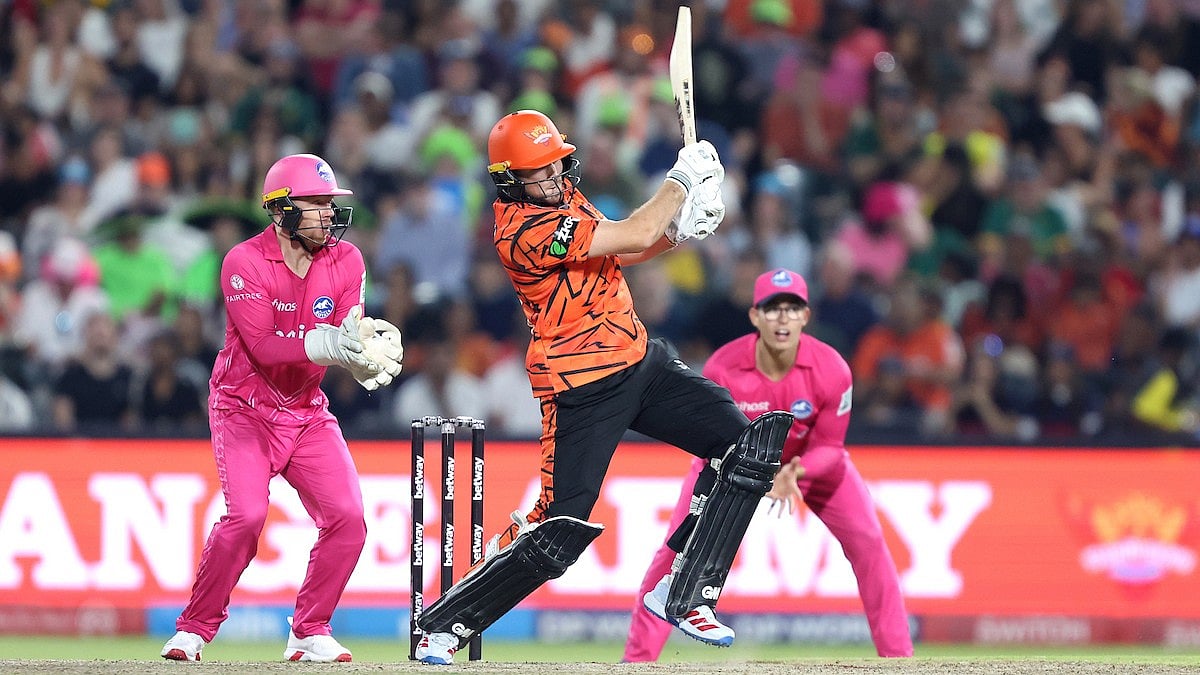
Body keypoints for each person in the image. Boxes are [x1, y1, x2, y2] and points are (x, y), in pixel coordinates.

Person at [413, 109, 793, 665]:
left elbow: (622, 246)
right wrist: (680, 181)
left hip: (641, 360)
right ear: (508, 181)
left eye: (555, 165)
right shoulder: (521, 229)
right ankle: (443, 625)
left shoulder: (563, 198)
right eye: (538, 172)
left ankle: (684, 593)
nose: (553, 178)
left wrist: (678, 232)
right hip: (581, 384)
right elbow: (634, 228)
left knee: (748, 449)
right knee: (558, 529)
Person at [159, 154, 403, 663]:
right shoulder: (242, 262)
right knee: (246, 517)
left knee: (349, 518)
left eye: (329, 204)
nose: (327, 215)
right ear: (280, 211)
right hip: (243, 408)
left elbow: (344, 332)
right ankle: (194, 630)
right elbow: (267, 348)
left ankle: (310, 629)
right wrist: (331, 347)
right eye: (314, 204)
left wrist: (360, 356)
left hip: (307, 410)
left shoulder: (348, 260)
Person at [624, 268, 914, 661]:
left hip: (809, 465)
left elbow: (830, 446)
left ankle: (898, 659)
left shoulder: (833, 370)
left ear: (805, 317)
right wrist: (761, 475)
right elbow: (710, 440)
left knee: (869, 543)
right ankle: (638, 661)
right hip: (732, 465)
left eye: (792, 308)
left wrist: (794, 472)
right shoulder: (723, 368)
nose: (782, 318)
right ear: (755, 316)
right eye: (772, 308)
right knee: (676, 550)